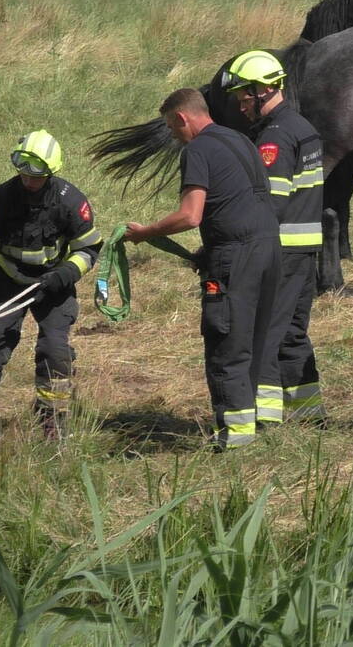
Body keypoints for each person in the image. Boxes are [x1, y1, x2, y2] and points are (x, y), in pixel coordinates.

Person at [125, 88, 281, 450]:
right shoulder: (240, 139)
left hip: (235, 258)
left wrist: (146, 233)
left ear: (182, 119)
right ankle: (253, 421)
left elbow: (190, 214)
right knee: (254, 338)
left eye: (172, 128)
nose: (174, 136)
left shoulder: (196, 149)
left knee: (226, 344)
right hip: (269, 249)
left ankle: (234, 438)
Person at [0, 130, 102, 447]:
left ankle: (53, 420)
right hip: (7, 285)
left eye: (37, 174)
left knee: (54, 350)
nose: (28, 180)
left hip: (54, 287)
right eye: (23, 170)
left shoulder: (71, 203)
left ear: (51, 172)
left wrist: (63, 275)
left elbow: (89, 250)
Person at [222, 50, 327, 428]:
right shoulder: (302, 126)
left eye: (243, 95)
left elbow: (271, 203)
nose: (240, 103)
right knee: (293, 333)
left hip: (283, 249)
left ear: (264, 90)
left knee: (264, 331)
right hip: (306, 247)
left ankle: (265, 421)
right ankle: (310, 413)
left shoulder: (276, 138)